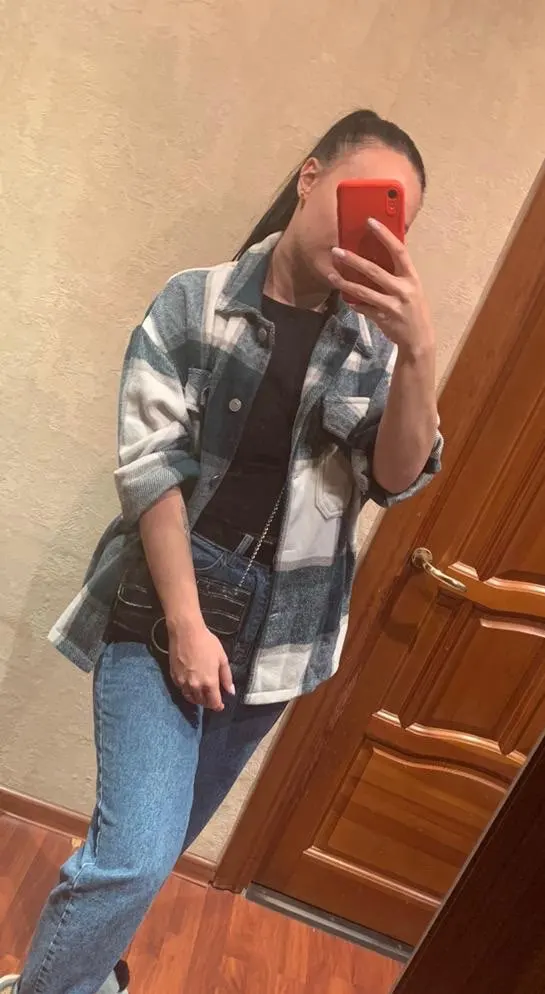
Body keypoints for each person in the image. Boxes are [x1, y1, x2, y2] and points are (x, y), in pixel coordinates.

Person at [1, 109, 442, 994]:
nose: (369, 233)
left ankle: (81, 978)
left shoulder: (372, 348)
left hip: (281, 631)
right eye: (360, 199)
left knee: (152, 848)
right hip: (165, 599)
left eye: (391, 220)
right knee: (132, 859)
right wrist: (187, 622)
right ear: (310, 178)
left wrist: (418, 352)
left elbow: (394, 479)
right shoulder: (193, 302)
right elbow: (149, 472)